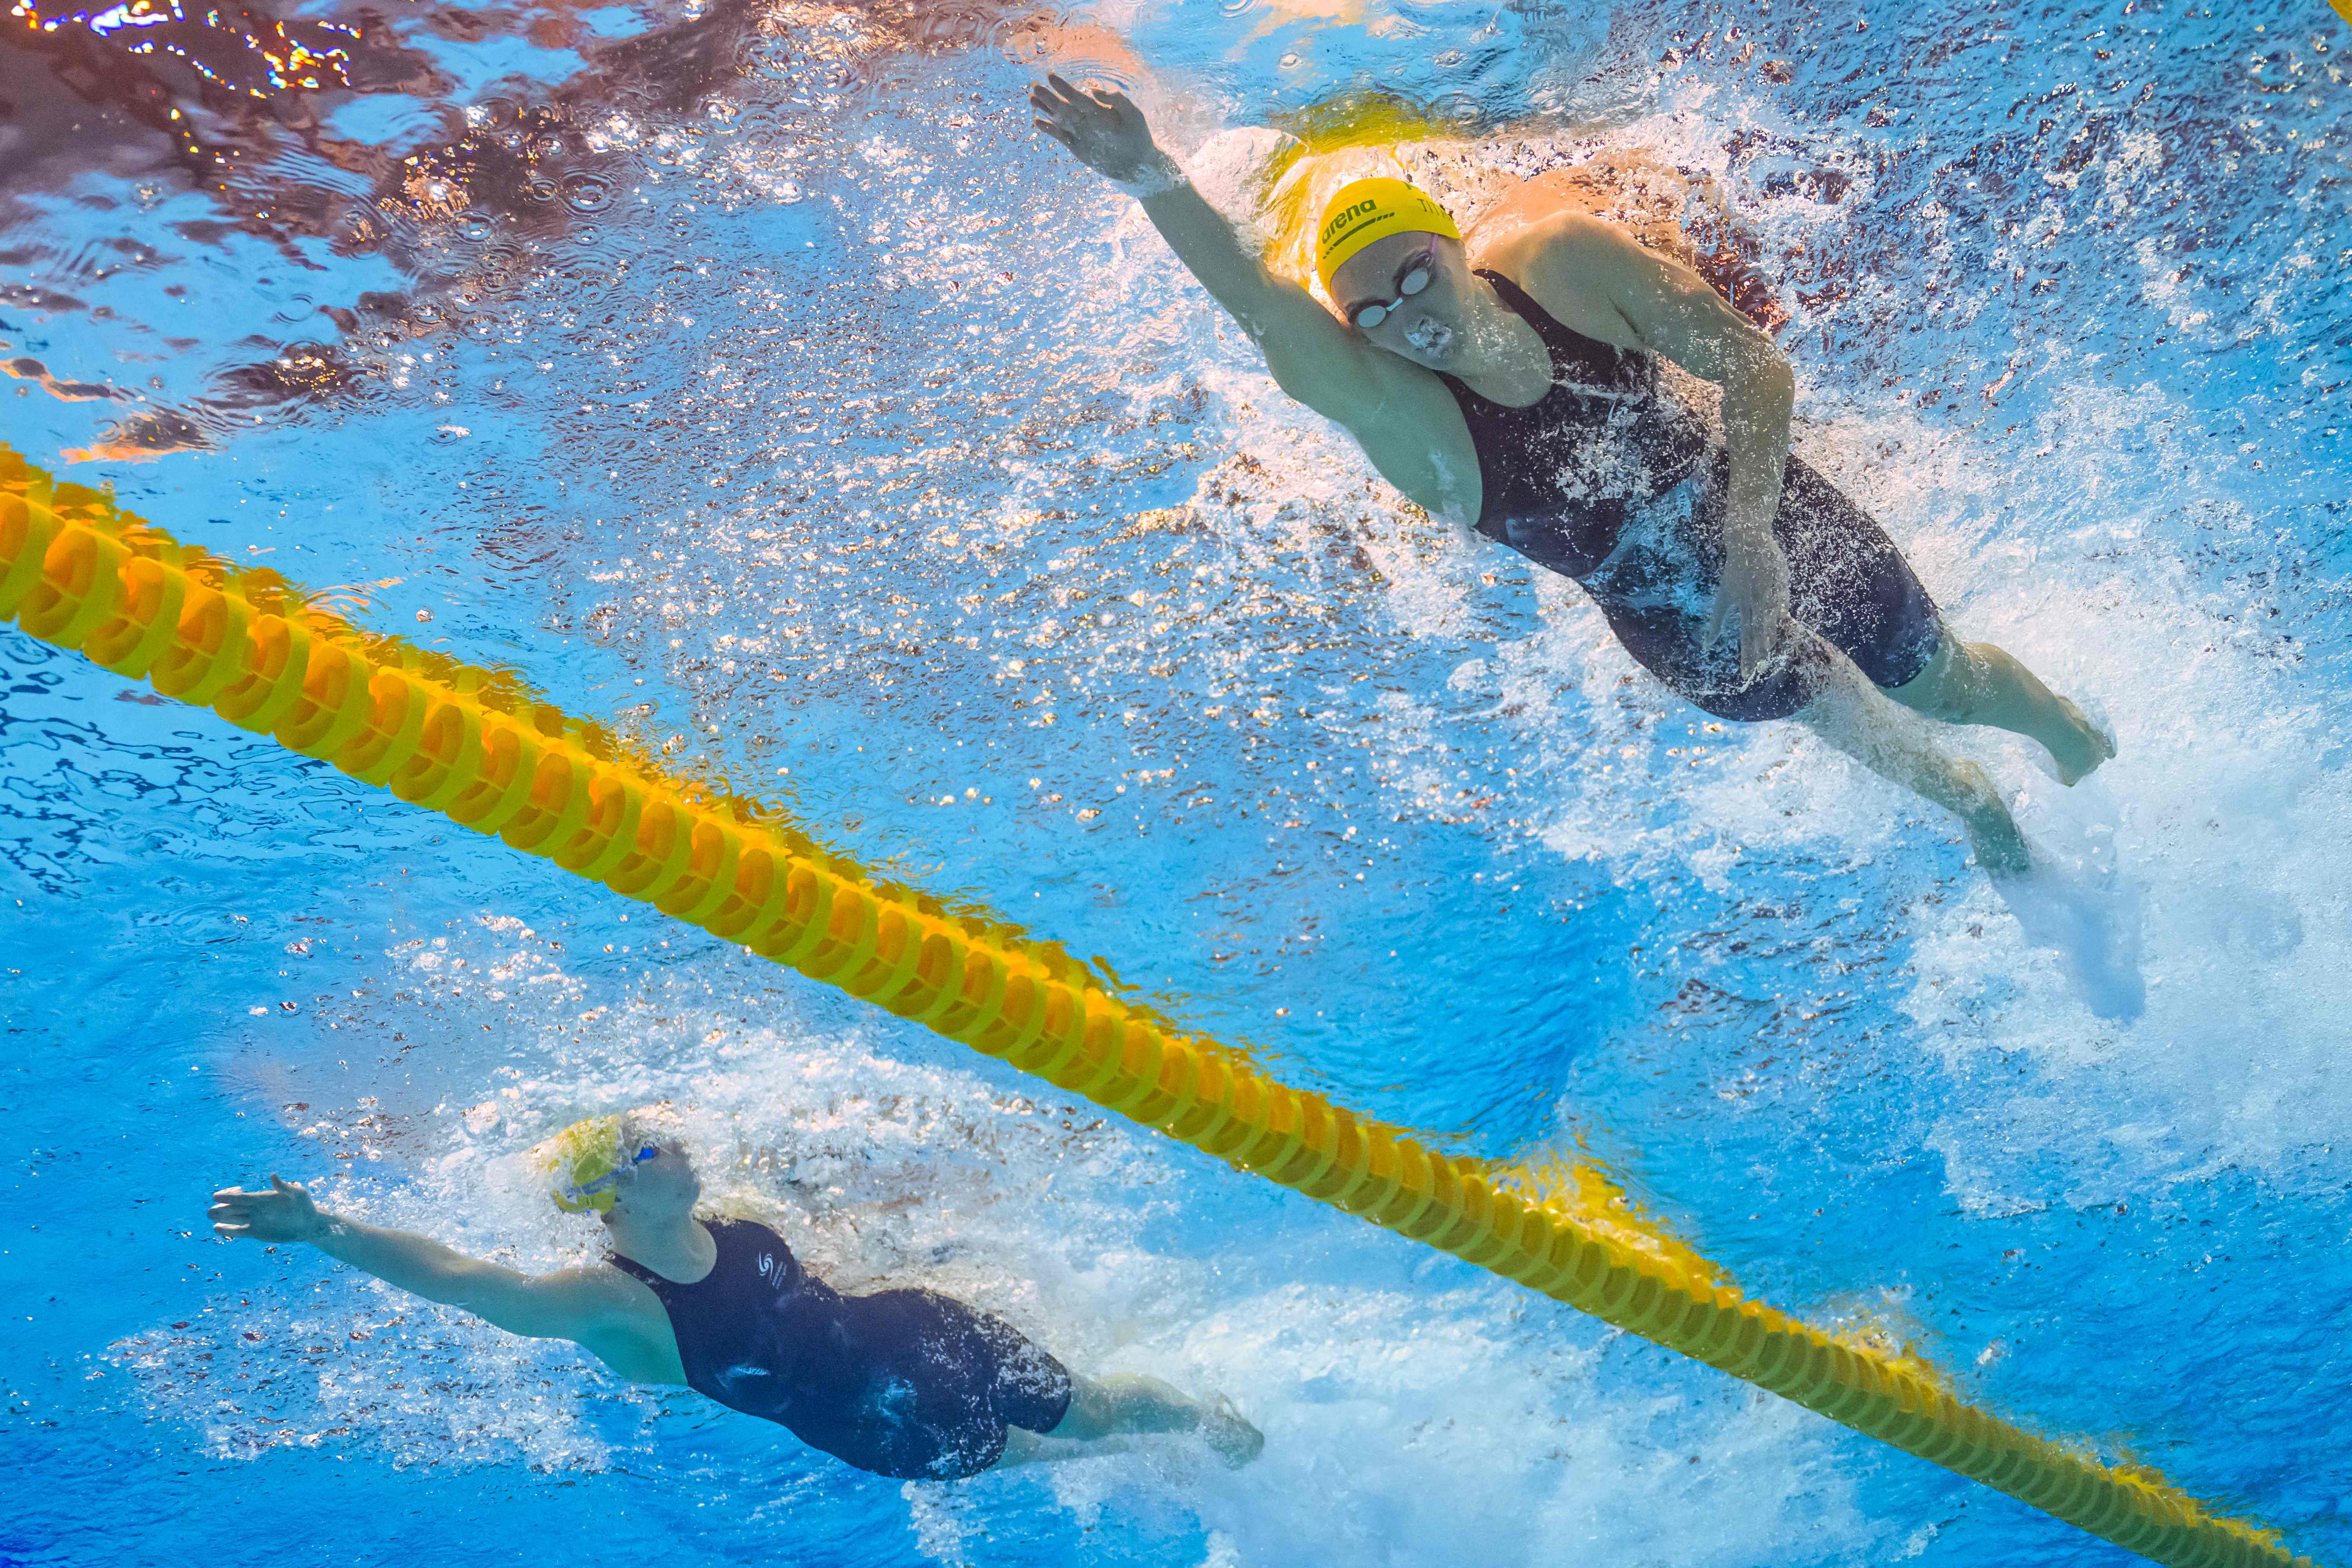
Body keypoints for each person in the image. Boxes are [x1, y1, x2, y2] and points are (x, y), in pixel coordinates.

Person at [1027, 76, 2118, 875]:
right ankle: (1982, 818)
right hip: (1671, 621)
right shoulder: (1411, 424)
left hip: (1771, 516)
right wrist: (1153, 181)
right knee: (1864, 729)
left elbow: (1755, 369)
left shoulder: (1565, 262)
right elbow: (1264, 310)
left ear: (1452, 244)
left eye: (1415, 277)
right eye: (1376, 315)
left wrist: (1751, 541)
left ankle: (2086, 751)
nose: (1411, 319)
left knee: (1942, 682)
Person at [208, 1106, 1263, 1479]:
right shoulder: (612, 1303)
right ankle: (1158, 1461)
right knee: (1044, 1460)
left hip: (925, 1333)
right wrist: (326, 1232)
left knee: (1097, 1412)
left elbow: (827, 1263)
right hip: (877, 1429)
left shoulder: (738, 1208)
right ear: (619, 1193)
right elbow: (471, 1286)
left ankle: (1215, 1427)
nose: (681, 1148)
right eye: (654, 1147)